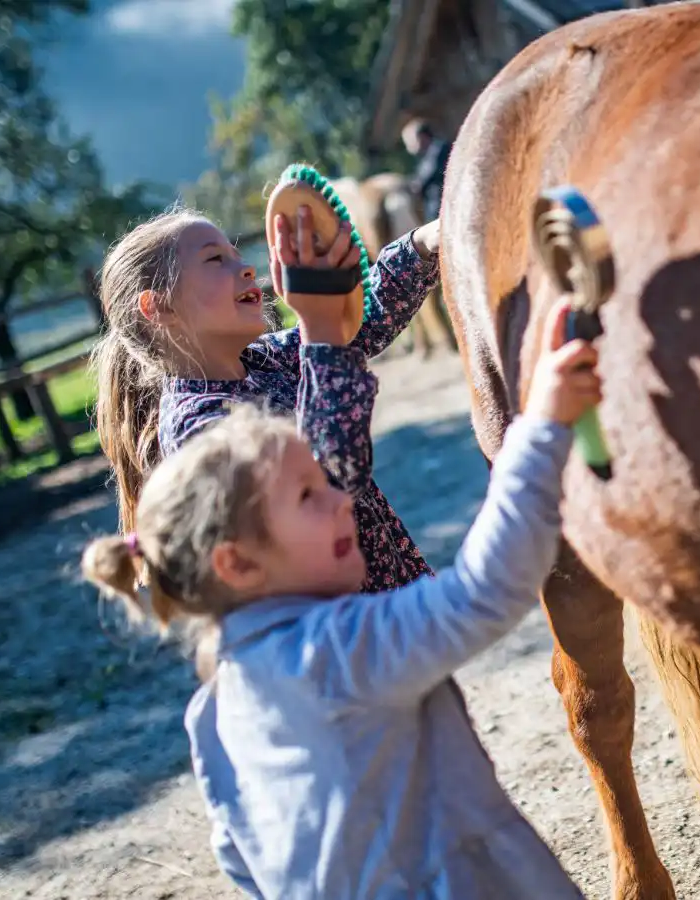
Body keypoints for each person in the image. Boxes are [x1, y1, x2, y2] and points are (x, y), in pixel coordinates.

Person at [80, 299, 601, 899]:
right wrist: (541, 430)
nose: (340, 501)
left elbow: (246, 865)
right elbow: (482, 593)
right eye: (309, 495)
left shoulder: (211, 718)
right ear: (239, 562)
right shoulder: (337, 650)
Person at [90, 201, 441, 596]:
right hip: (332, 633)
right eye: (215, 260)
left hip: (384, 601)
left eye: (237, 255)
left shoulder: (264, 359)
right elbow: (329, 479)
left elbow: (356, 326)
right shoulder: (197, 426)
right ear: (160, 307)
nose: (245, 268)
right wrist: (317, 327)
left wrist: (423, 244)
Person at [403, 118, 451, 221]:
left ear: (421, 136)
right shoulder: (426, 156)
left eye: (410, 141)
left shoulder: (439, 150)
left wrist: (410, 186)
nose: (409, 147)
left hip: (444, 211)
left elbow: (424, 179)